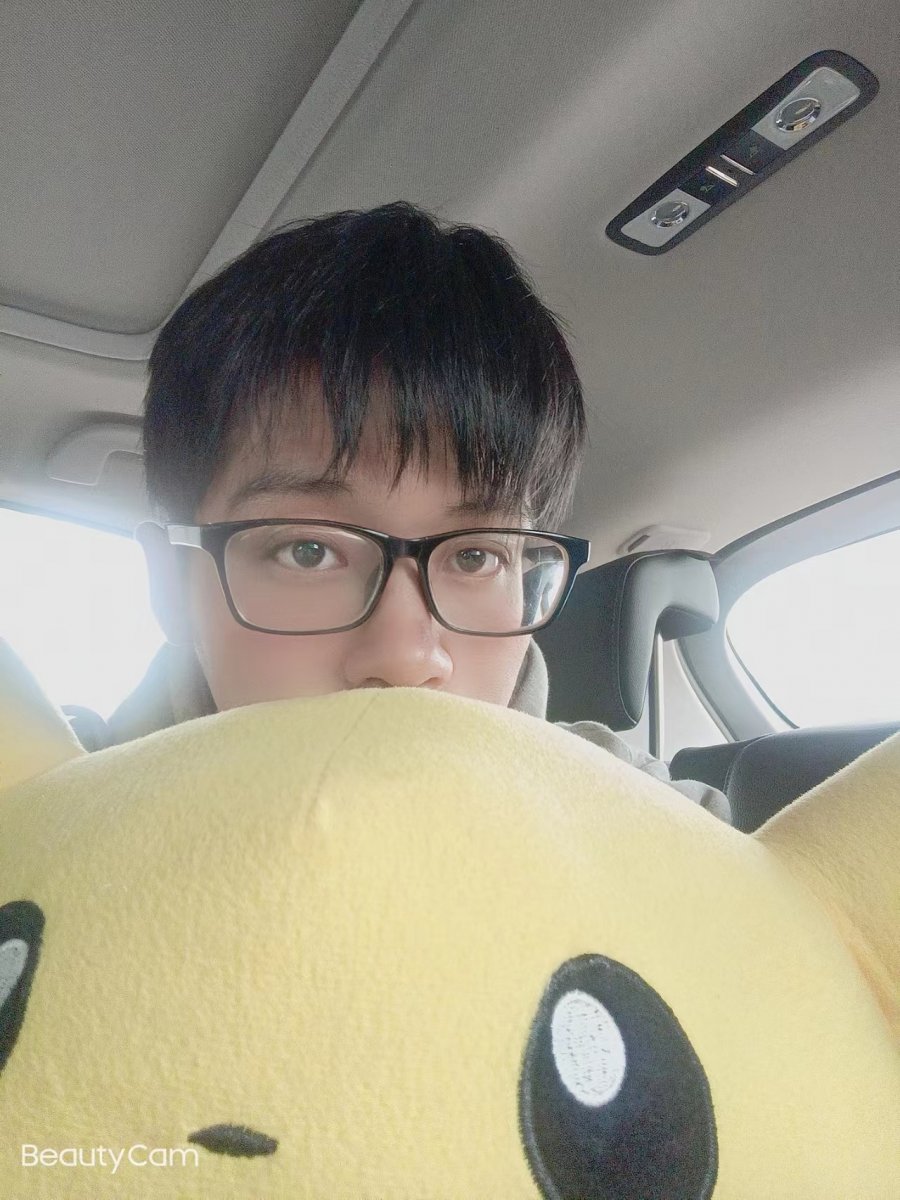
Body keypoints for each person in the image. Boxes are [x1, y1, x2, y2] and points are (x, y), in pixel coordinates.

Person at [108, 201, 728, 822]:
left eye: (475, 556)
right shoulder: (58, 825)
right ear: (170, 586)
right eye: (308, 551)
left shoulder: (657, 826)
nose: (407, 659)